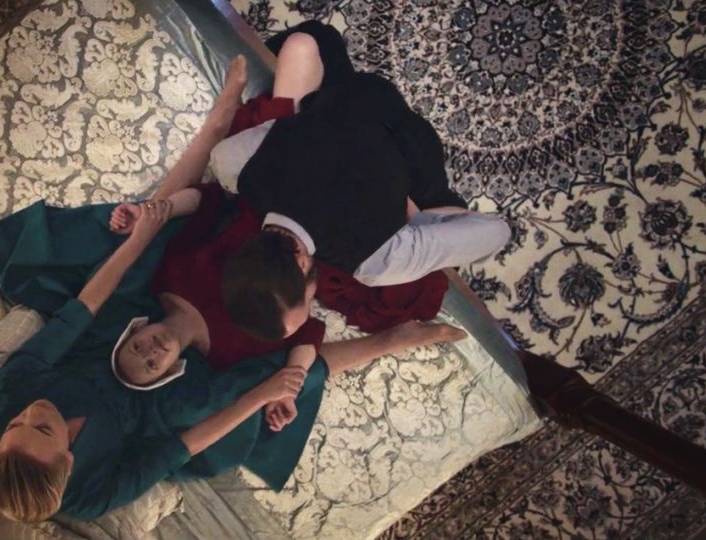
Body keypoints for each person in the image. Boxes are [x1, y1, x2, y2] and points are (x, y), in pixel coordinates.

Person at [106, 55, 465, 432]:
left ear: (135, 330)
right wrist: (289, 389)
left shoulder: (167, 280)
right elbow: (306, 331)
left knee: (305, 75)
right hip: (317, 254)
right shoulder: (226, 354)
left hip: (271, 209)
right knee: (400, 278)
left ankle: (352, 122)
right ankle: (391, 165)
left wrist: (157, 210)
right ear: (170, 371)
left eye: (137, 347)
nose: (151, 351)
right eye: (152, 365)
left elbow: (208, 203)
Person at [206, 22, 512, 342]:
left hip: (411, 145)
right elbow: (287, 128)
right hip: (354, 94)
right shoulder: (231, 164)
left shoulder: (375, 263)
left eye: (308, 301)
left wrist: (411, 215)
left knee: (447, 218)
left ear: (302, 262)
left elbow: (498, 232)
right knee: (314, 41)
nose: (314, 301)